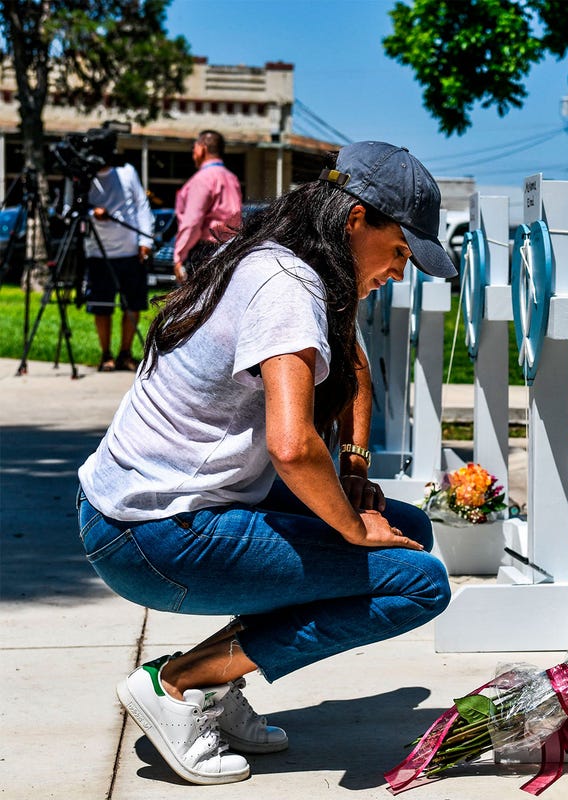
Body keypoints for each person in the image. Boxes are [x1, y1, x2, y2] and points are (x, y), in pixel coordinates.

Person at [77, 142, 458, 785]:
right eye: (399, 251)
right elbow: (291, 446)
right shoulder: (287, 287)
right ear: (356, 218)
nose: (400, 271)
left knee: (411, 533)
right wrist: (350, 527)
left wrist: (357, 475)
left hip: (159, 508)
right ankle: (180, 683)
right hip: (150, 533)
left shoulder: (297, 259)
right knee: (418, 582)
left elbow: (355, 365)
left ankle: (216, 683)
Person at [82, 130, 155, 372]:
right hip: (98, 252)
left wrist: (146, 240)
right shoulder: (84, 176)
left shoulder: (127, 172)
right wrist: (93, 213)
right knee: (102, 306)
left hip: (130, 251)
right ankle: (106, 355)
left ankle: (125, 353)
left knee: (132, 304)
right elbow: (71, 209)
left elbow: (141, 204)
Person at [173, 129, 243, 284]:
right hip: (229, 249)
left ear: (203, 148)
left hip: (205, 252)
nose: (193, 152)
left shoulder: (203, 179)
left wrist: (179, 255)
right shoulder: (231, 178)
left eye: (194, 147)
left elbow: (192, 222)